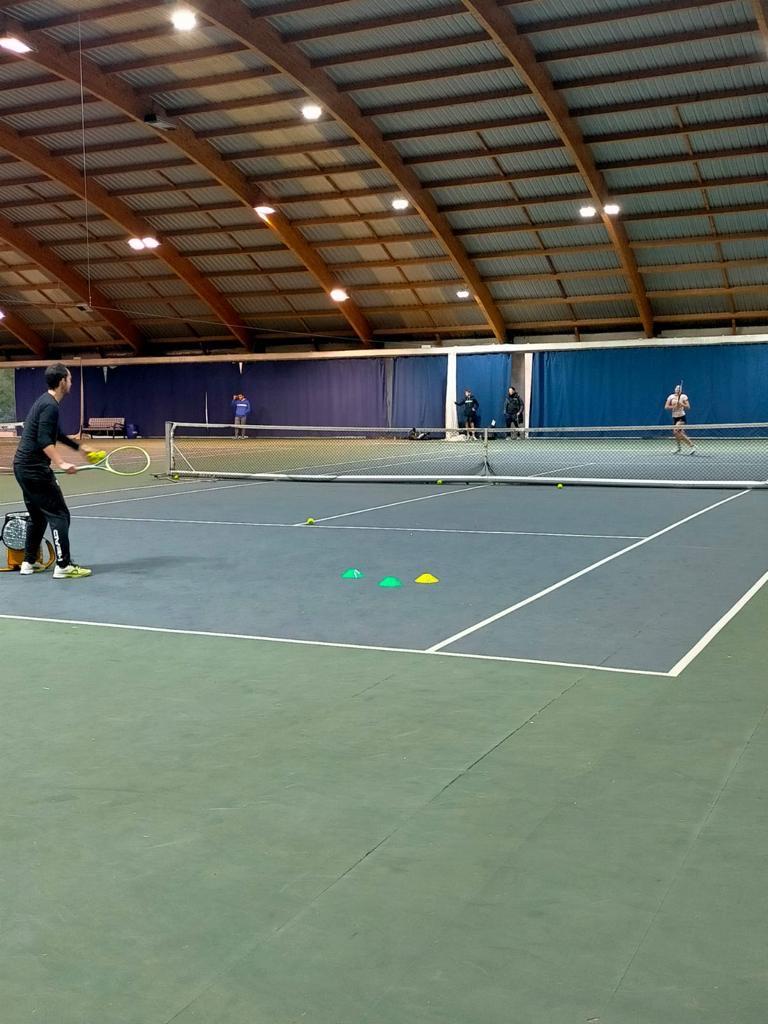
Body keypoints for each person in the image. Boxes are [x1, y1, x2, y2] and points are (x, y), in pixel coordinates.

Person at [13, 363, 94, 579]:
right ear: (62, 382)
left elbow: (55, 433)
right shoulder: (50, 406)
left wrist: (79, 448)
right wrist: (61, 463)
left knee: (38, 517)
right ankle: (63, 566)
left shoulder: (45, 401)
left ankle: (28, 562)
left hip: (23, 468)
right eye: (69, 379)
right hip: (34, 469)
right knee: (59, 514)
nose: (71, 383)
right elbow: (43, 440)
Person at [665, 384, 695, 453]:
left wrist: (681, 403)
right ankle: (679, 448)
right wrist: (674, 406)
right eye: (677, 388)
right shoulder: (671, 397)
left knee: (676, 431)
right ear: (675, 389)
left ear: (681, 390)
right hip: (674, 417)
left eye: (679, 389)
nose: (678, 390)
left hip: (681, 417)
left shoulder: (683, 396)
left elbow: (688, 407)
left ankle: (692, 446)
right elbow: (666, 407)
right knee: (677, 433)